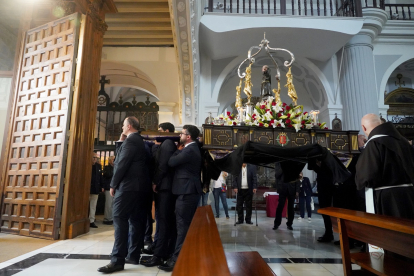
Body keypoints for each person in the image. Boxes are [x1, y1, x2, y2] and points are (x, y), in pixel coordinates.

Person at [98, 117, 151, 274]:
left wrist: (113, 184)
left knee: (120, 220)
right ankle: (133, 255)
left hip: (127, 188)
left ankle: (117, 261)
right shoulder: (141, 141)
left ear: (128, 126)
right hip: (141, 189)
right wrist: (120, 141)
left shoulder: (131, 141)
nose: (121, 128)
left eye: (123, 126)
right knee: (136, 221)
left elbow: (121, 163)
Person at [157, 125, 202, 272]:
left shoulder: (190, 149)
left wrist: (177, 150)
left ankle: (177, 260)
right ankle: (178, 256)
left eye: (182, 134)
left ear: (188, 137)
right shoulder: (191, 148)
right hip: (186, 191)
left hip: (187, 192)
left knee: (182, 227)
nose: (179, 136)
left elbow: (171, 162)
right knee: (182, 225)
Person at [355, 113, 414, 219]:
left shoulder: (374, 143)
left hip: (387, 199)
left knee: (390, 232)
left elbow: (367, 176)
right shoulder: (403, 142)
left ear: (363, 127)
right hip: (409, 194)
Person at [141, 122, 177, 267]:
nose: (158, 133)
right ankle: (160, 251)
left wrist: (155, 181)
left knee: (163, 221)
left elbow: (162, 165)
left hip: (165, 188)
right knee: (162, 221)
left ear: (167, 131)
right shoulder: (165, 144)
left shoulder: (168, 143)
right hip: (164, 188)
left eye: (160, 131)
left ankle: (159, 255)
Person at [308, 158, 335, 242]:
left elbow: (314, 168)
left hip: (326, 190)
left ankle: (329, 234)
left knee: (326, 212)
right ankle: (328, 233)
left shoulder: (327, 163)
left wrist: (311, 158)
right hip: (325, 190)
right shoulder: (326, 162)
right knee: (325, 213)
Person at [272, 163, 300, 230]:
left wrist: (297, 190)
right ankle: (276, 224)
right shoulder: (279, 164)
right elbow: (277, 175)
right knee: (280, 207)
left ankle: (290, 224)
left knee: (291, 208)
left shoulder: (294, 163)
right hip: (282, 188)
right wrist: (284, 166)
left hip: (292, 188)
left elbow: (297, 178)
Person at [89, 152, 103, 228]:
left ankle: (91, 221)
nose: (94, 159)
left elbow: (100, 177)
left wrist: (102, 186)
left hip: (95, 188)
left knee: (93, 206)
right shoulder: (87, 165)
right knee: (85, 206)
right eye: (93, 157)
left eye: (96, 158)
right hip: (87, 189)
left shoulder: (98, 166)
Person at [102, 156, 115, 225]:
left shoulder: (116, 167)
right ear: (110, 161)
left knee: (114, 204)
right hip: (108, 187)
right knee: (108, 204)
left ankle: (112, 218)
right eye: (113, 160)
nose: (114, 161)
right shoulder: (107, 167)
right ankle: (107, 218)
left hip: (115, 188)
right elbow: (107, 175)